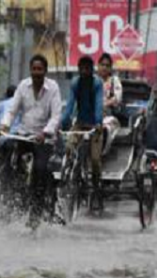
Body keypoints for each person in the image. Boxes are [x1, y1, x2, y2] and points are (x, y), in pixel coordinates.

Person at [0, 54, 63, 222]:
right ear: (30, 70)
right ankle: (12, 195)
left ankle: (36, 212)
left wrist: (46, 132)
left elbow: (56, 116)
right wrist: (5, 124)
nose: (36, 72)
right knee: (11, 161)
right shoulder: (23, 86)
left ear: (45, 71)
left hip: (43, 138)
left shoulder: (53, 88)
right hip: (24, 134)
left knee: (40, 170)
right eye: (34, 69)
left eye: (40, 69)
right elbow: (12, 110)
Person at [62, 56, 105, 212]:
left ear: (92, 69)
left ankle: (95, 186)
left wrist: (99, 122)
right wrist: (63, 122)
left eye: (88, 68)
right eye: (82, 68)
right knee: (68, 147)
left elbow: (99, 104)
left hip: (95, 126)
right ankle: (67, 178)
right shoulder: (75, 83)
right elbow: (69, 105)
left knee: (94, 160)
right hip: (79, 123)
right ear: (79, 69)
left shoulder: (97, 83)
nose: (85, 71)